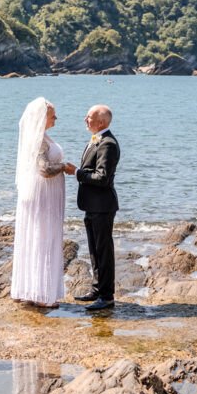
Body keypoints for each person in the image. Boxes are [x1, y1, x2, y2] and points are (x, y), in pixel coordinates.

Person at [11, 98, 75, 307]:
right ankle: (41, 294)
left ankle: (29, 289)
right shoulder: (39, 140)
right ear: (42, 117)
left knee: (36, 236)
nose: (56, 118)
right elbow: (44, 170)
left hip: (43, 194)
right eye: (52, 115)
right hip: (42, 196)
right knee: (42, 238)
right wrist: (65, 166)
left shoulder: (41, 137)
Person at [64, 104, 120, 311]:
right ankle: (97, 289)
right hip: (92, 205)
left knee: (103, 251)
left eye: (89, 117)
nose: (85, 120)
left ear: (101, 122)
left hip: (103, 206)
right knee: (95, 251)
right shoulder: (98, 139)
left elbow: (103, 178)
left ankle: (107, 297)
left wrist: (76, 172)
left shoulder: (108, 144)